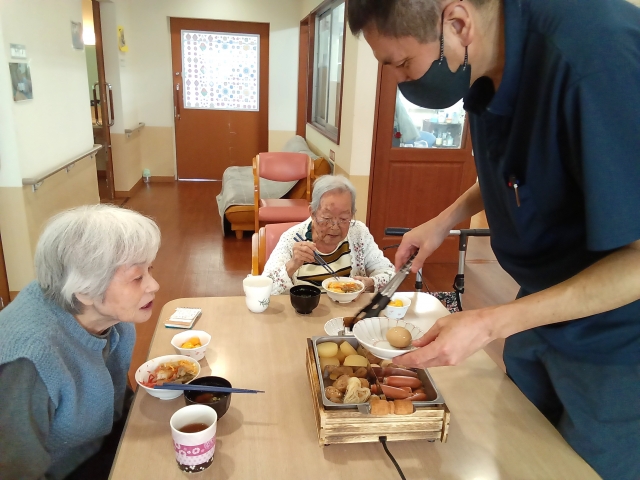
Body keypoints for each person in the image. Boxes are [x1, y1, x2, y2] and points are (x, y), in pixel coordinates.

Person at [348, 0, 640, 478]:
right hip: (539, 309)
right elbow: (519, 169)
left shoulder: (595, 60)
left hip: (618, 340)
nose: (400, 81)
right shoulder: (486, 60)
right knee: (522, 455)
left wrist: (488, 324)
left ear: (457, 23)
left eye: (402, 63)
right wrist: (445, 219)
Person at [0, 205, 161, 480]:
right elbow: (15, 470)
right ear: (85, 290)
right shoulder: (29, 360)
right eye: (137, 277)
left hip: (104, 444)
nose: (154, 285)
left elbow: (116, 396)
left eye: (150, 270)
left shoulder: (112, 318)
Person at [262, 175, 394, 295]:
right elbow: (264, 288)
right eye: (327, 218)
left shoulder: (358, 233)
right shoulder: (292, 238)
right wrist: (292, 264)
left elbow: (390, 275)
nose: (335, 226)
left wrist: (370, 283)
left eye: (343, 218)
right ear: (312, 213)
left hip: (349, 310)